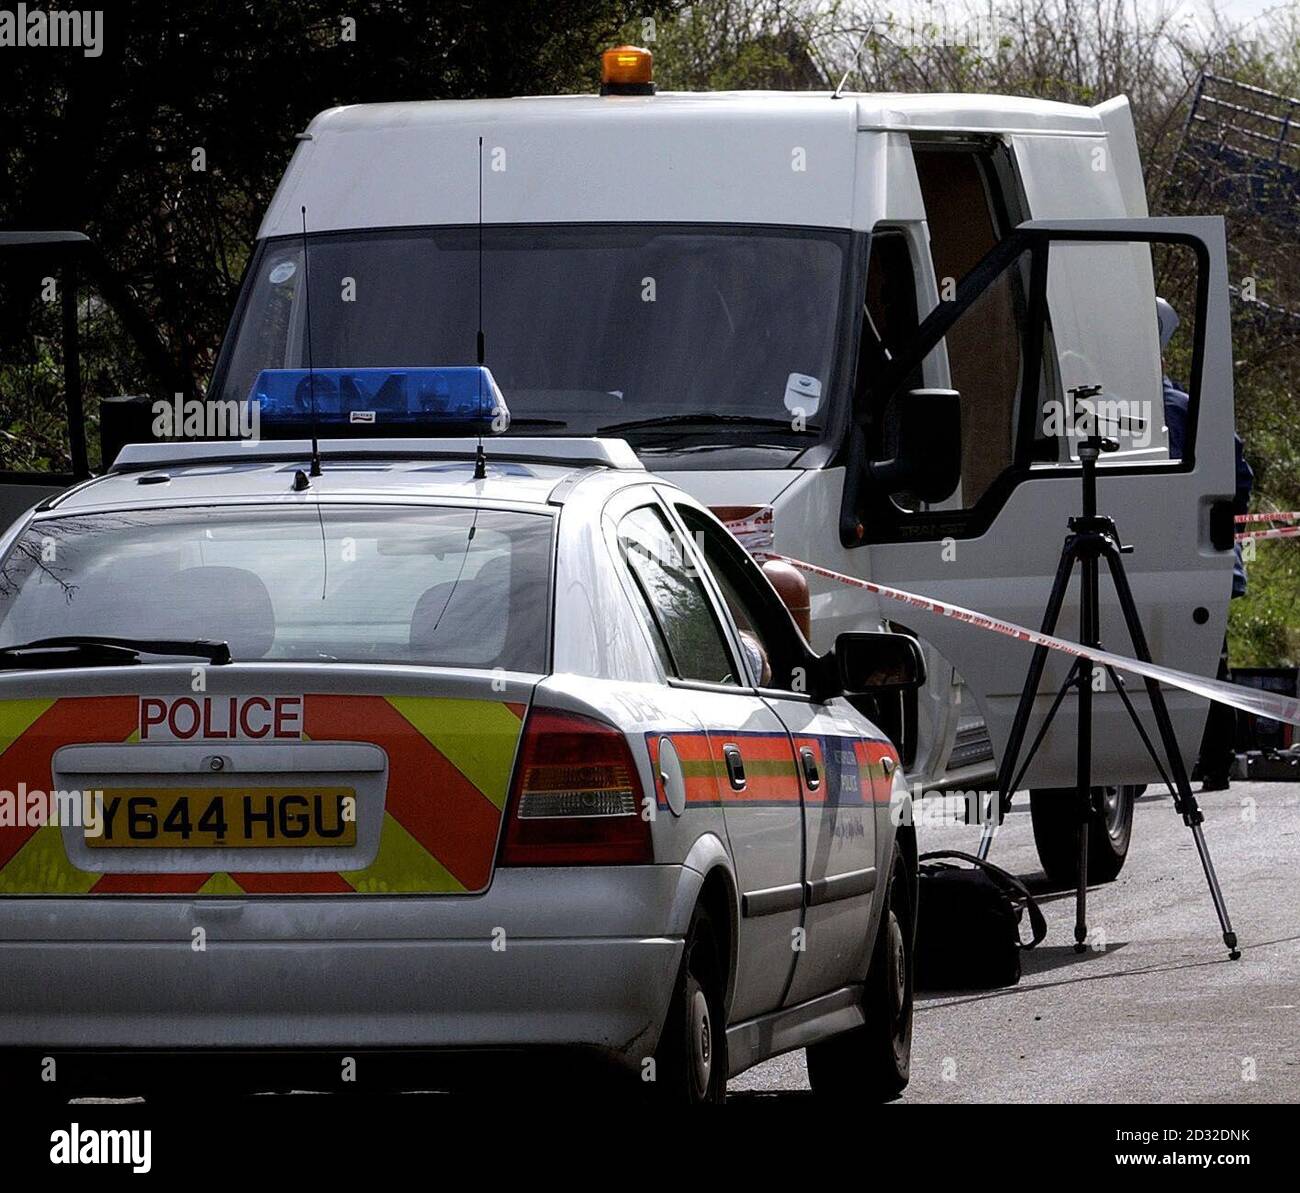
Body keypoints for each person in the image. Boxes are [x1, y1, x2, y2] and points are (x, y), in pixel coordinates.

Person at [1157, 297, 1253, 790]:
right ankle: (1213, 762)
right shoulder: (1191, 411)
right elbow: (1240, 479)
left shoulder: (1163, 413)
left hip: (1177, 560)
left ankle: (1203, 759)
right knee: (1209, 660)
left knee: (1181, 658)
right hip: (1203, 560)